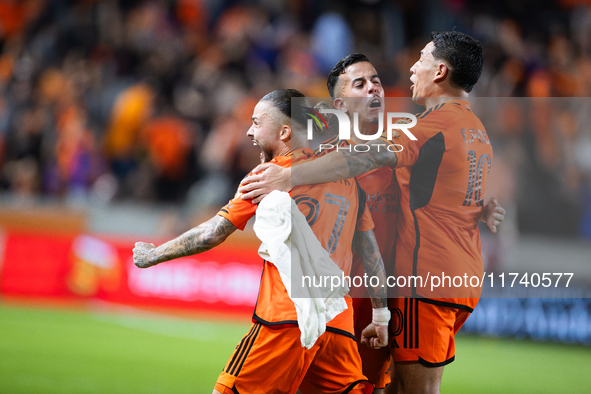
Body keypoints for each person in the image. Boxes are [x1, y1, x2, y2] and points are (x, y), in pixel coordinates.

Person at [237, 32, 505, 393]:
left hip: (390, 298)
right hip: (337, 303)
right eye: (359, 84)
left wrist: (477, 207)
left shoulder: (405, 145)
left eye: (376, 82)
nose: (374, 89)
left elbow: (444, 187)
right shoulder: (316, 162)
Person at [133, 89, 389, 394]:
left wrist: (153, 254)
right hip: (337, 327)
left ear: (284, 131)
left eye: (256, 122)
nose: (249, 130)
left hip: (284, 320)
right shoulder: (350, 182)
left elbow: (213, 232)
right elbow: (371, 255)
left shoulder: (270, 175)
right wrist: (380, 315)